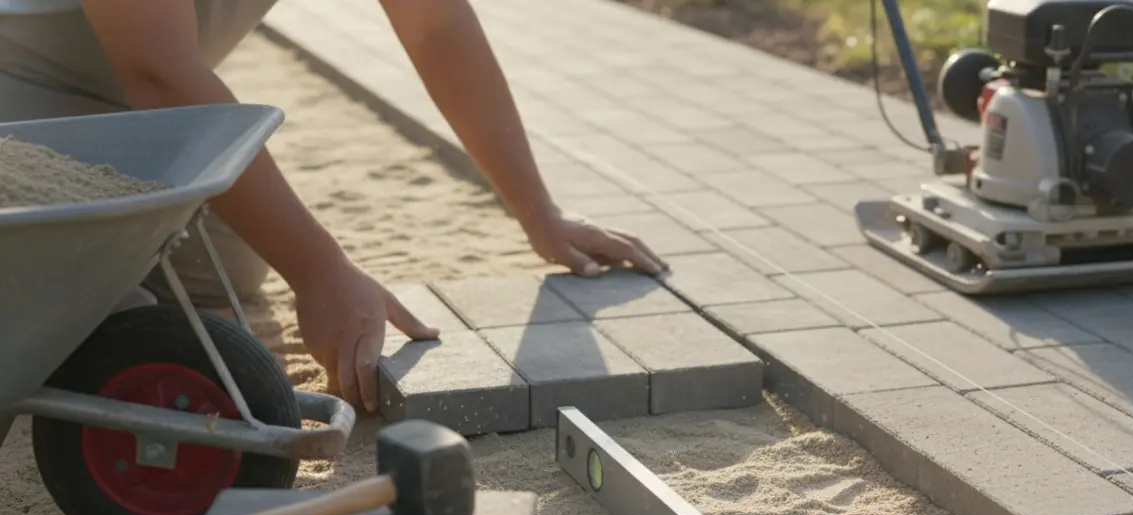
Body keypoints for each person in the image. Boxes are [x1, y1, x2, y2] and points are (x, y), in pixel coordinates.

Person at [0, 0, 667, 412]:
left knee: (225, 274)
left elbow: (435, 25)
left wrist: (537, 211)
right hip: (20, 106)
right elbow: (158, 70)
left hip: (137, 107)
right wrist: (320, 271)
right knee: (67, 290)